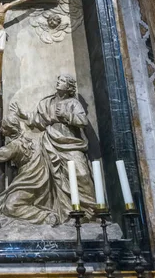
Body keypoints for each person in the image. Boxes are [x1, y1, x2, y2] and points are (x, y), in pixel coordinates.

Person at [13, 73, 96, 220]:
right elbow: (40, 120)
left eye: (63, 80)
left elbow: (82, 121)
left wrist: (67, 115)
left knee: (82, 174)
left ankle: (91, 211)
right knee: (57, 178)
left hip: (71, 144)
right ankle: (68, 213)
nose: (59, 82)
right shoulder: (48, 102)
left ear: (69, 86)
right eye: (59, 79)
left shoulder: (73, 103)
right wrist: (23, 115)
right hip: (51, 142)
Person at [0, 113, 60, 227]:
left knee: (11, 206)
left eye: (4, 128)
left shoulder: (15, 144)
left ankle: (47, 217)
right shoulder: (29, 136)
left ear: (11, 130)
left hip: (30, 178)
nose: (1, 130)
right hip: (41, 176)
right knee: (14, 203)